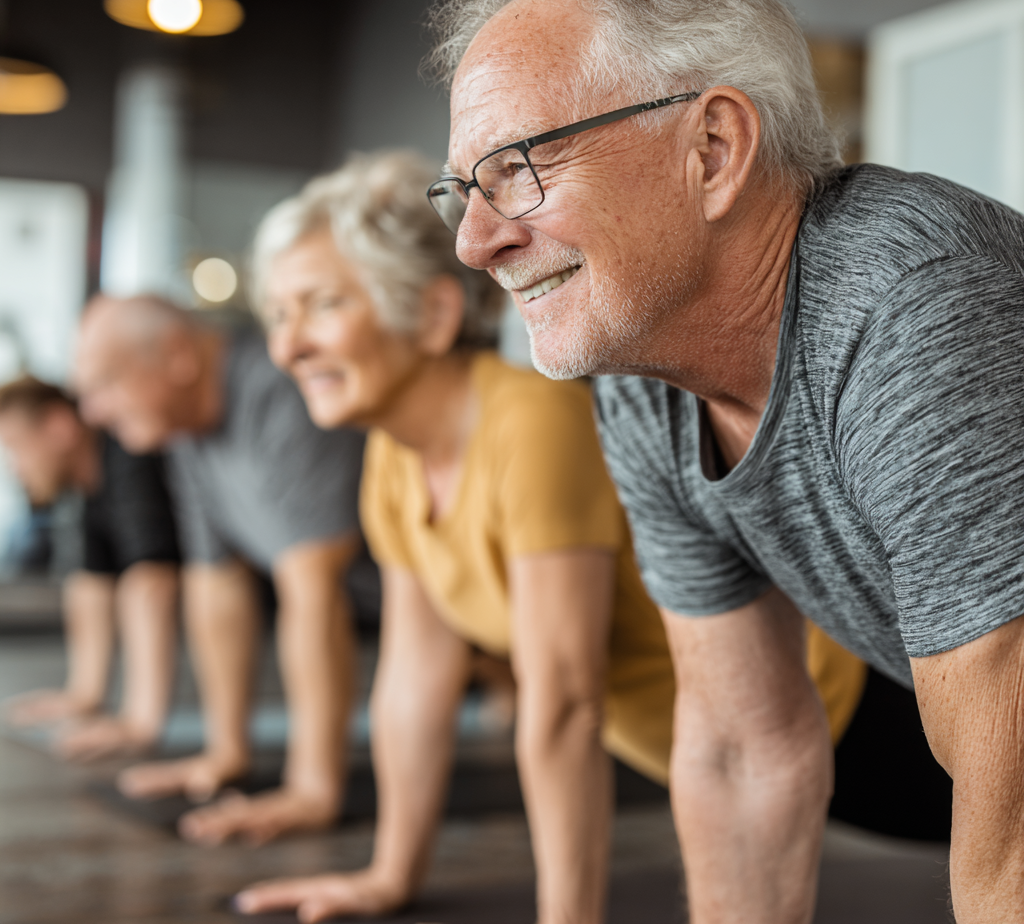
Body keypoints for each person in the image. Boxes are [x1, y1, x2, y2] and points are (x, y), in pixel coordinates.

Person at [425, 0, 1024, 922]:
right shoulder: (644, 372)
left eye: (517, 168)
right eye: (462, 190)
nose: (473, 243)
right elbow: (743, 750)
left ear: (711, 147)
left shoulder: (919, 309)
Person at [230, 150, 864, 924]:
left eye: (323, 305)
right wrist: (388, 877)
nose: (287, 347)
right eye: (279, 315)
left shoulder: (531, 421)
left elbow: (564, 703)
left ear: (433, 314)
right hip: (716, 757)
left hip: (831, 716)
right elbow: (413, 682)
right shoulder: (395, 457)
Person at [73, 297, 376, 847]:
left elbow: (315, 585)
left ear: (178, 356)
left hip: (462, 620)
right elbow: (216, 579)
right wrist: (225, 752)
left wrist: (311, 789)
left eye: (107, 383)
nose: (91, 413)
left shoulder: (278, 387)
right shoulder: (188, 426)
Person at [0, 376, 180, 760]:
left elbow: (151, 580)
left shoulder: (128, 452)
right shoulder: (81, 487)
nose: (16, 468)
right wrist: (83, 696)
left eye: (16, 447)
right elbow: (89, 583)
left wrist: (139, 723)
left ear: (59, 427)